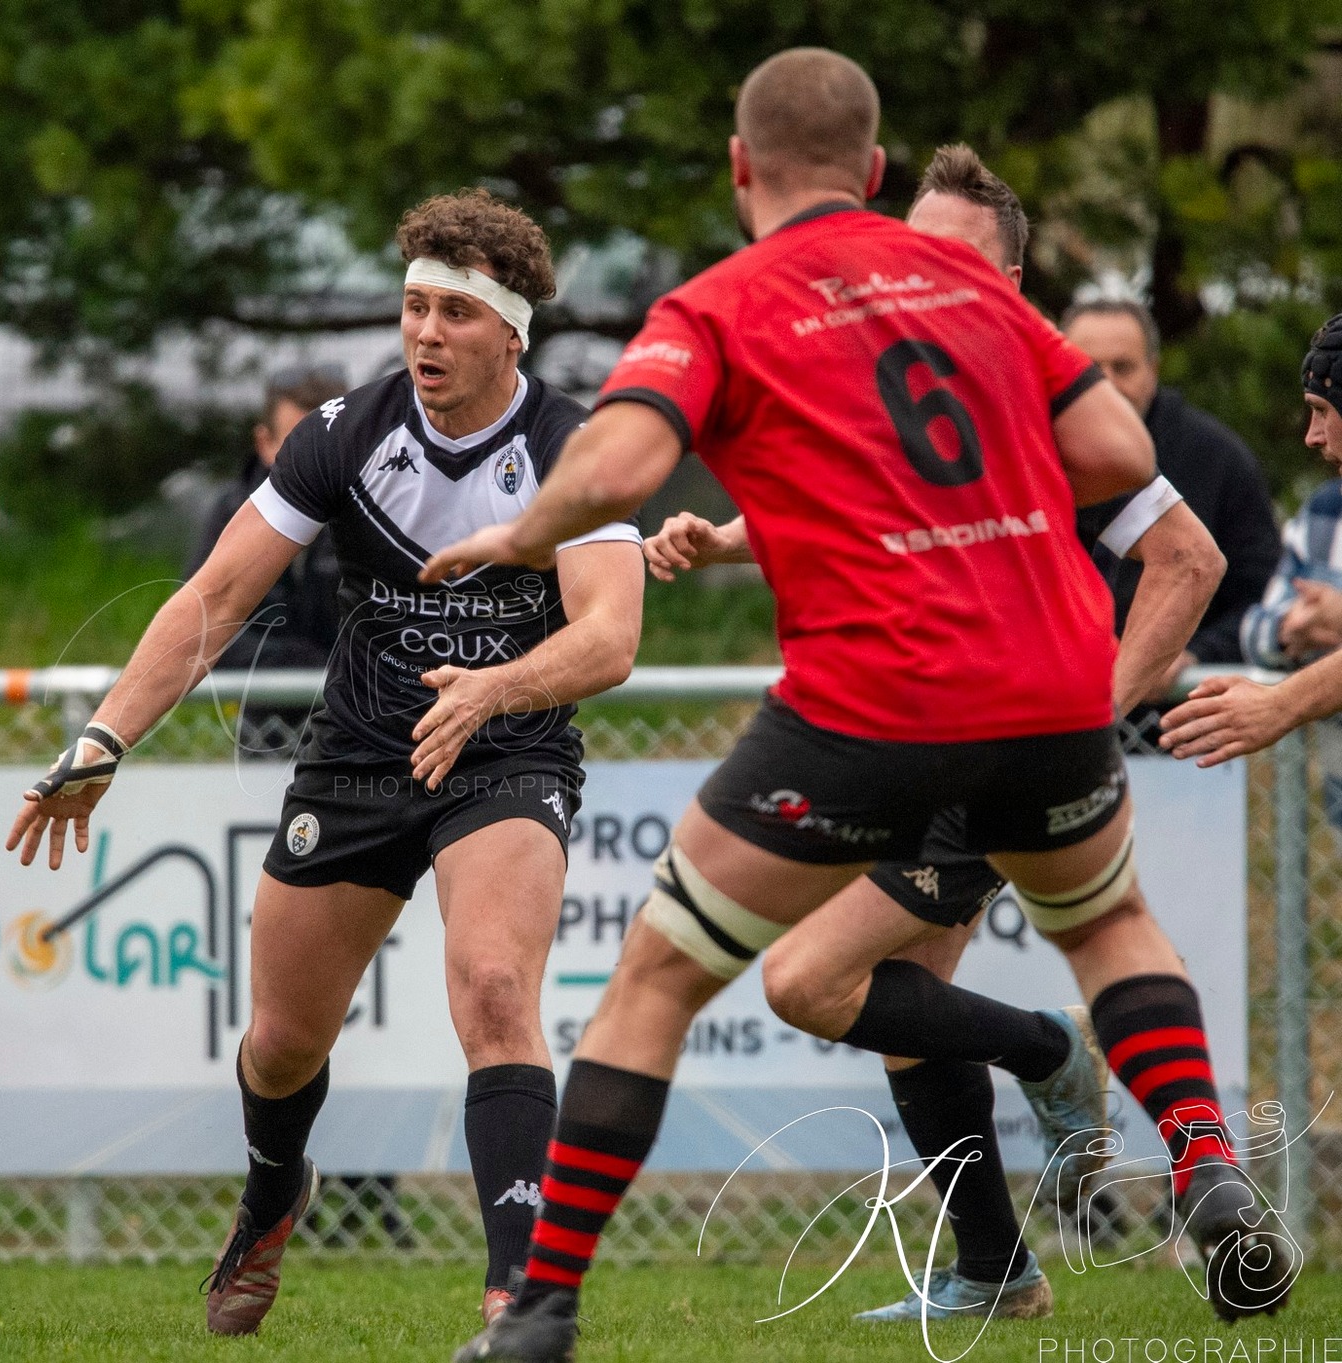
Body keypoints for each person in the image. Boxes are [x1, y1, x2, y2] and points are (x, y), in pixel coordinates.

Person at [426, 50, 1287, 1361]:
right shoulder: (978, 295)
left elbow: (623, 458)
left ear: (738, 168)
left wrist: (520, 532)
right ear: (877, 177)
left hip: (877, 694)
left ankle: (540, 1308)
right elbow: (1114, 451)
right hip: (1048, 682)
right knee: (1105, 918)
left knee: (659, 973)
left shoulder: (723, 301)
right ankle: (1206, 1167)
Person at [7, 189, 647, 1334]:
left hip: (506, 750)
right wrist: (102, 738)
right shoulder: (345, 435)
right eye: (412, 307)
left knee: (495, 991)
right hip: (356, 756)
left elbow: (608, 636)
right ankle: (270, 1191)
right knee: (283, 1040)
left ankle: (522, 1302)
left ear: (511, 332)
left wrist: (497, 687)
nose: (426, 333)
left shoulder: (570, 448)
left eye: (455, 312)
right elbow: (211, 598)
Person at [644, 143, 1228, 1324]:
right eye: (910, 248)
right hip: (908, 732)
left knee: (810, 978)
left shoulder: (1038, 394)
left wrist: (1095, 703)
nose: (917, 275)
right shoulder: (911, 378)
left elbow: (1188, 558)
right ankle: (994, 1270)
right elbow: (869, 518)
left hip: (995, 736)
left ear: (1009, 283)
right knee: (906, 999)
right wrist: (725, 537)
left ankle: (1050, 1056)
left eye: (951, 257)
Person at [1061, 298, 1281, 738]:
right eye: (1088, 368)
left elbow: (1264, 593)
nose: (1104, 385)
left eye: (1122, 368)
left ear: (1154, 370)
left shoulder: (1218, 459)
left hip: (1181, 724)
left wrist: (1194, 652)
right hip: (1059, 715)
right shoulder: (1028, 451)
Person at [1161, 314, 1342, 765]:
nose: (1311, 436)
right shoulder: (1324, 511)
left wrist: (1279, 703)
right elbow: (1257, 626)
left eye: (1322, 410)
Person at [186, 366, 349, 758]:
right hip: (264, 734)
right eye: (298, 444)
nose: (314, 461)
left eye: (328, 443)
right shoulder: (232, 513)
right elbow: (202, 629)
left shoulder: (379, 512)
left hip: (356, 735)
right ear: (264, 442)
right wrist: (301, 662)